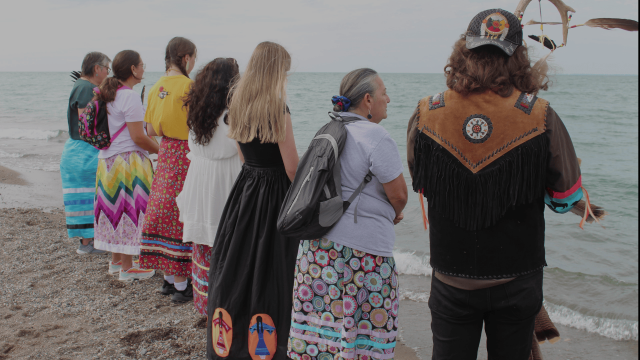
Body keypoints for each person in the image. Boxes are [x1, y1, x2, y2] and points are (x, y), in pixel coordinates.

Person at [406, 9, 584, 360]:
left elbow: (421, 181)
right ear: (519, 58)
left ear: (463, 54)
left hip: (450, 277)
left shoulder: (427, 112)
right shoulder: (539, 115)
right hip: (516, 280)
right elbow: (565, 197)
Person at [287, 68, 408, 360]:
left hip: (317, 249)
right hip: (364, 255)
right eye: (383, 93)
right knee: (366, 336)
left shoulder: (327, 129)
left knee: (321, 338)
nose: (388, 99)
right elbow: (400, 196)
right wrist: (396, 212)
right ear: (368, 100)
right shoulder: (376, 136)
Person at [206, 41, 299, 360]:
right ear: (276, 71)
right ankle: (273, 345)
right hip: (274, 191)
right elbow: (291, 167)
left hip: (246, 189)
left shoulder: (238, 103)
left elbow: (243, 156)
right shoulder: (278, 108)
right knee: (273, 265)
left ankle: (227, 342)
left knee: (237, 263)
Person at [176, 57, 243, 317]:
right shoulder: (232, 114)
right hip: (225, 179)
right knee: (228, 244)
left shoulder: (197, 109)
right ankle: (228, 305)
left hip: (200, 178)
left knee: (205, 245)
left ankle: (207, 305)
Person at [139, 36, 197, 302]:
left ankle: (168, 279)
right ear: (185, 58)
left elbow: (149, 129)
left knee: (162, 208)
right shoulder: (189, 86)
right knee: (181, 210)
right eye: (193, 58)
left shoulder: (155, 86)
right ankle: (182, 286)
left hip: (165, 151)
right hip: (185, 153)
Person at [93, 50, 159, 281]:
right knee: (130, 210)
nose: (143, 69)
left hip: (107, 160)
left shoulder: (108, 93)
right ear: (132, 69)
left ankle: (117, 262)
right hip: (127, 161)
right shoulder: (129, 96)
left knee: (115, 210)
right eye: (141, 65)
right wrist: (161, 150)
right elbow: (138, 137)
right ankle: (128, 269)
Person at [61, 51, 110, 255]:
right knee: (89, 195)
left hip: (77, 149)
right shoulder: (86, 88)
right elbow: (86, 126)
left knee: (84, 196)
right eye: (107, 68)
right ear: (97, 68)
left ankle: (87, 241)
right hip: (83, 150)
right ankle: (87, 243)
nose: (109, 72)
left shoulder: (83, 86)